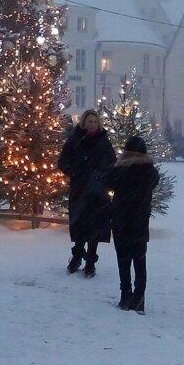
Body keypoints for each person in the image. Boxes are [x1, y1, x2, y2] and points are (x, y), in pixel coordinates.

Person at [57, 109, 115, 278]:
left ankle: (90, 261)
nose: (92, 124)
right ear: (83, 122)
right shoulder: (75, 140)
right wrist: (75, 171)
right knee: (79, 224)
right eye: (89, 121)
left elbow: (111, 163)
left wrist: (100, 175)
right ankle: (76, 257)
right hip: (80, 189)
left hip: (97, 191)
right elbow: (63, 161)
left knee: (95, 227)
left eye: (95, 122)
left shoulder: (104, 142)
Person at [107, 136, 159, 313]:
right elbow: (153, 184)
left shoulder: (120, 169)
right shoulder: (150, 171)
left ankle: (125, 295)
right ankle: (139, 299)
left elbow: (108, 183)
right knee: (139, 260)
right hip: (140, 220)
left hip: (121, 219)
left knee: (123, 260)